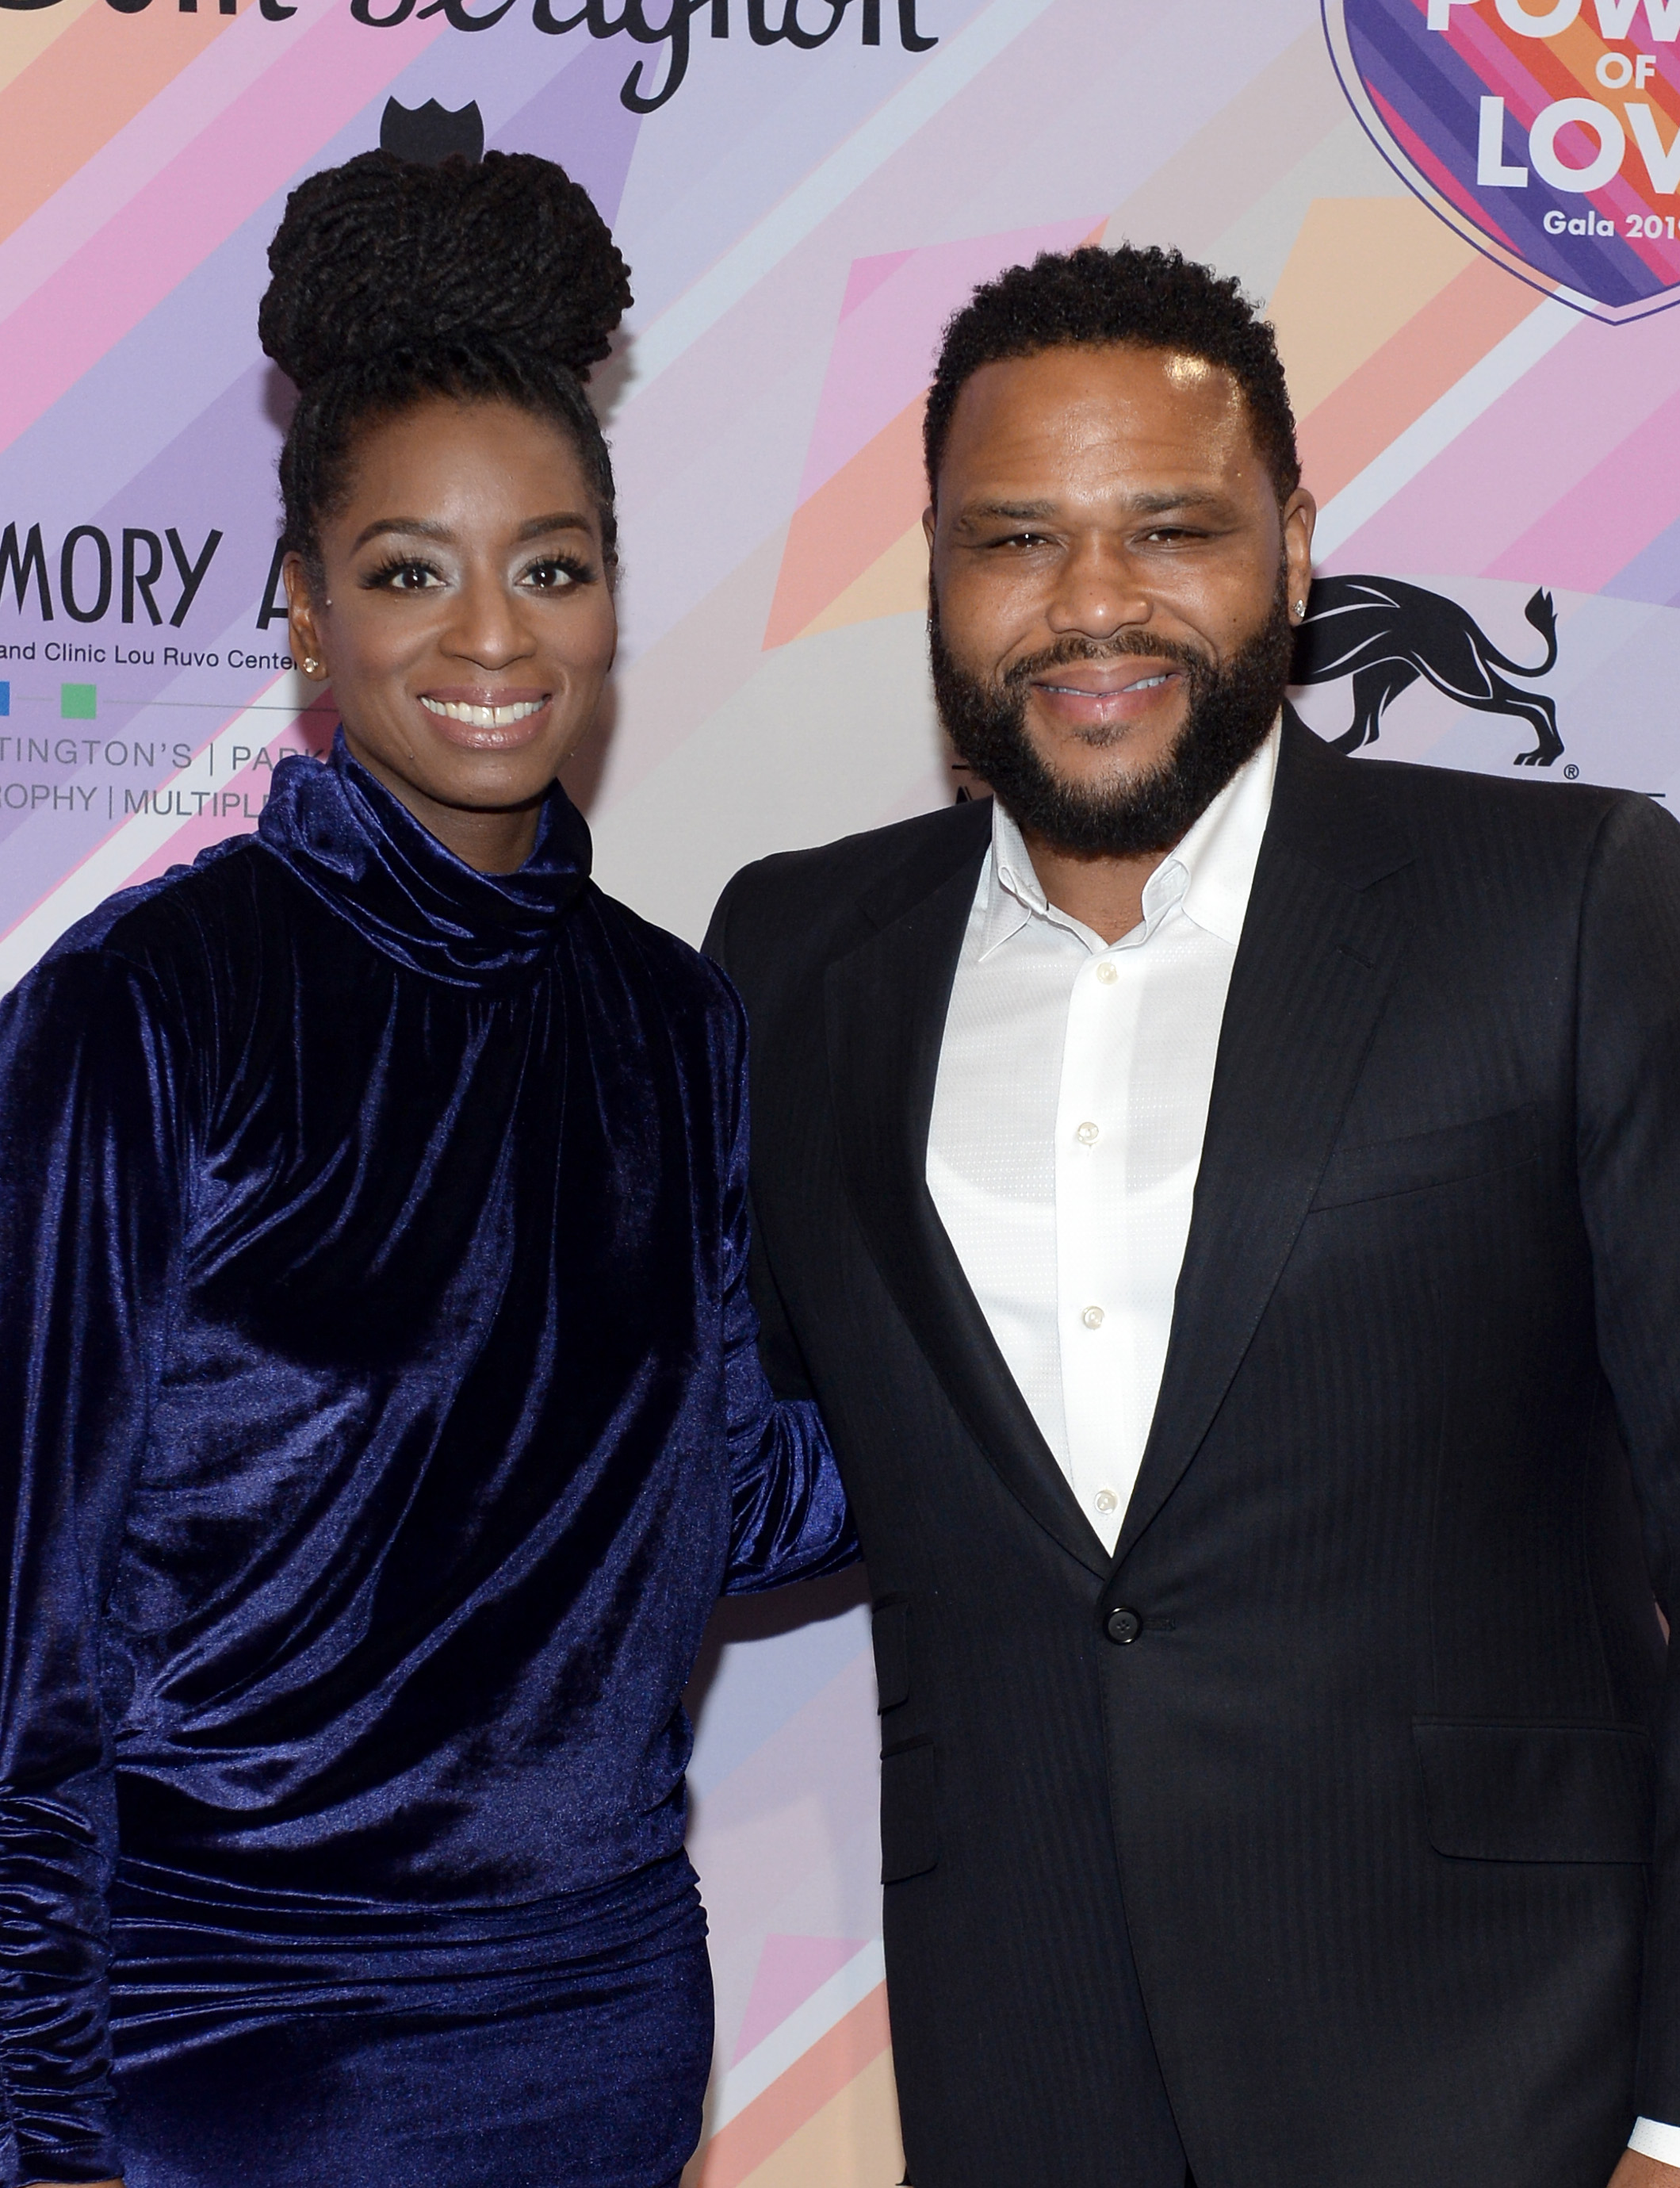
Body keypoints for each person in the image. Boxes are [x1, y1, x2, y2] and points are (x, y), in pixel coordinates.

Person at [704, 242, 1680, 2188]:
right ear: (932, 569)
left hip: (1513, 2080)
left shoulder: (1564, 905)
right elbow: (705, 1456)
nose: (1091, 604)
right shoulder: (794, 954)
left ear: (1294, 551)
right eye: (1014, 539)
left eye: (1169, 529)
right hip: (1024, 2072)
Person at [0, 148, 854, 2188]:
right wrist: (40, 2124)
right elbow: (24, 1638)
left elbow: (721, 1502)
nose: (491, 634)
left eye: (551, 568)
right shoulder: (146, 1011)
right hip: (231, 2050)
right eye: (408, 571)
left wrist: (1077, 1373)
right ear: (306, 609)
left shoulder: (671, 1018)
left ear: (613, 595)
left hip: (601, 2025)